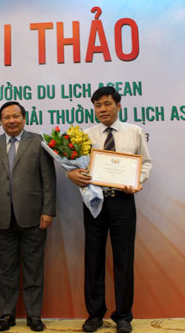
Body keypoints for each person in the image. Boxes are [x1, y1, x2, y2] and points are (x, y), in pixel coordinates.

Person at [66, 87, 152, 333]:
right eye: (97, 105)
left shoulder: (135, 132)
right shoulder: (85, 135)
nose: (102, 109)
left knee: (124, 259)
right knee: (93, 259)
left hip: (123, 202)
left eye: (107, 104)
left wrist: (137, 181)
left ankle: (123, 316)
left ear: (118, 105)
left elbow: (146, 163)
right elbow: (72, 166)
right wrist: (72, 175)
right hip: (94, 202)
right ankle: (94, 315)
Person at [0, 101, 56, 332]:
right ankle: (6, 315)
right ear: (0, 121)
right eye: (6, 117)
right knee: (7, 269)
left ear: (24, 118)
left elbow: (48, 180)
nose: (11, 121)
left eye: (15, 116)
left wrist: (48, 210)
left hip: (34, 216)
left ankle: (34, 316)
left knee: (34, 268)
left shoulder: (39, 141)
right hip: (2, 216)